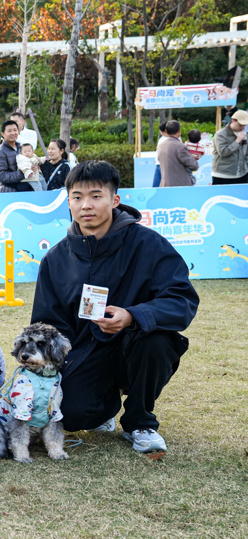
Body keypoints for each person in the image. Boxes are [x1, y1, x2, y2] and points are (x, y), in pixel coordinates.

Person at [31, 161, 198, 453]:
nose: (86, 205)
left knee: (157, 341)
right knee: (69, 414)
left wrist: (133, 316)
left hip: (136, 343)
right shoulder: (55, 260)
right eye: (77, 197)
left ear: (115, 200)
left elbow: (182, 299)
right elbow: (47, 322)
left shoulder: (149, 244)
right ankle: (103, 408)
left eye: (96, 196)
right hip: (86, 352)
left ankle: (140, 422)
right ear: (68, 201)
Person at [0, 120, 35, 192]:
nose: (13, 133)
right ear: (3, 134)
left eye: (15, 130)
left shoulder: (21, 148)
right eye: (9, 131)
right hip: (9, 191)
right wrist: (23, 173)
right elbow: (1, 175)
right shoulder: (0, 152)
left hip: (25, 188)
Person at [210, 109, 248, 185]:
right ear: (233, 121)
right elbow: (223, 152)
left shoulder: (245, 134)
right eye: (240, 124)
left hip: (242, 174)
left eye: (244, 125)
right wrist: (237, 141)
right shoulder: (220, 134)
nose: (242, 127)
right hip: (223, 175)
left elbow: (246, 153)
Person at [158, 120, 198, 187]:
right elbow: (194, 166)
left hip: (165, 184)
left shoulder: (160, 145)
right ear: (179, 131)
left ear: (166, 131)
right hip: (181, 185)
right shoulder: (180, 146)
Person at [152, 122, 169, 188]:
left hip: (164, 165)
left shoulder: (170, 139)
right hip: (158, 164)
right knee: (156, 185)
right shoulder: (162, 139)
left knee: (163, 185)